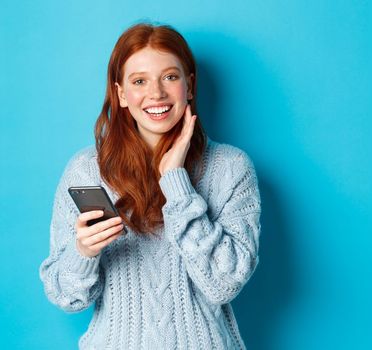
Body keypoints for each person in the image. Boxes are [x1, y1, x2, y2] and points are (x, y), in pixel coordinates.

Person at [38, 22, 261, 350]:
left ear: (190, 86)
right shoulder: (87, 171)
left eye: (170, 77)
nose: (156, 93)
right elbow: (65, 297)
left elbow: (224, 284)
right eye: (139, 81)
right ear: (121, 94)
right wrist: (82, 251)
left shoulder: (231, 168)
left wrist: (176, 182)